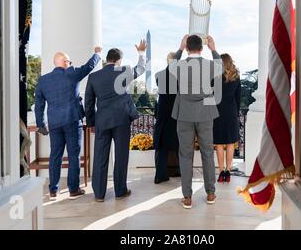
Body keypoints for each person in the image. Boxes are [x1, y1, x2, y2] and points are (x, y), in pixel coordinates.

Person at [35, 48, 102, 201]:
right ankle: (73, 189)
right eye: (69, 62)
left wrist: (41, 124)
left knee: (55, 156)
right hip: (72, 120)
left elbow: (39, 104)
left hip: (54, 123)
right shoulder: (71, 73)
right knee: (74, 156)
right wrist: (97, 54)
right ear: (65, 63)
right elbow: (88, 67)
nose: (71, 64)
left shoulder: (43, 80)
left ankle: (53, 190)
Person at [85, 40, 147, 202]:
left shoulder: (94, 77)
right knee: (121, 156)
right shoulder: (123, 71)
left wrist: (91, 123)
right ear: (119, 60)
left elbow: (89, 103)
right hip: (121, 120)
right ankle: (120, 191)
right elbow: (140, 69)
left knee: (100, 156)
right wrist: (141, 53)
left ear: (107, 59)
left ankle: (99, 194)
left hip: (102, 121)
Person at [171, 35, 222, 209]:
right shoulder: (209, 65)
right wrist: (213, 49)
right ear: (202, 48)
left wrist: (179, 48)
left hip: (184, 113)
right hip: (205, 113)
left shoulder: (179, 66)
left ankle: (187, 196)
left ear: (186, 48)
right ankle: (211, 192)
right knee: (208, 153)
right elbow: (221, 67)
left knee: (185, 155)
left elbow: (170, 64)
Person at [213, 54, 241, 183]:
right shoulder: (236, 78)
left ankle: (221, 171)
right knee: (230, 143)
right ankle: (228, 172)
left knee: (219, 144)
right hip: (231, 113)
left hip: (217, 113)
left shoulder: (215, 78)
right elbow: (238, 98)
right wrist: (235, 112)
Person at [153, 52, 181, 184]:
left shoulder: (158, 75)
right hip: (177, 111)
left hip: (163, 112)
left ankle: (160, 174)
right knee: (180, 144)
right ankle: (180, 170)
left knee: (162, 145)